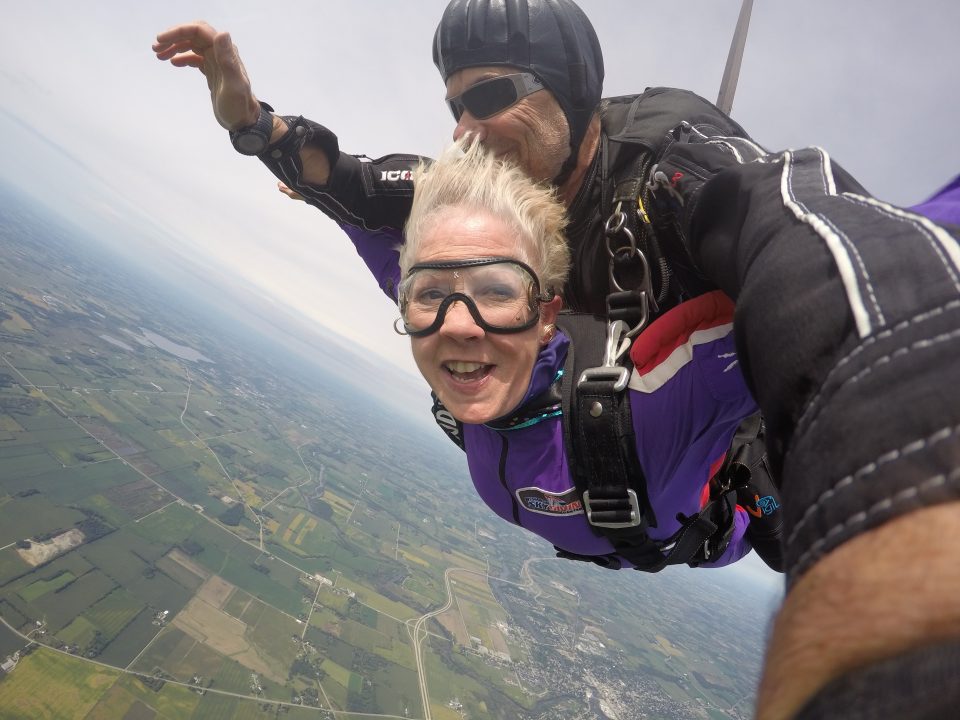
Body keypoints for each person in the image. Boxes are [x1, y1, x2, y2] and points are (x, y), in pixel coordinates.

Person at [153, 3, 960, 718]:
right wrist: (250, 123)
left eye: (491, 96)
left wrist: (889, 485)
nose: (464, 129)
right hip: (594, 470)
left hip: (697, 459)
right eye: (454, 105)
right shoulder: (474, 202)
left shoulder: (678, 173)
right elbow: (352, 186)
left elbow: (809, 238)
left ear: (568, 93)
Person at [395, 139, 759, 572]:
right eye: (431, 292)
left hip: (722, 524)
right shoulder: (434, 326)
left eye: (496, 290)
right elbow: (375, 241)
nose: (455, 324)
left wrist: (746, 200)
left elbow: (824, 309)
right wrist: (316, 164)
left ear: (546, 314)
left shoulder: (652, 395)